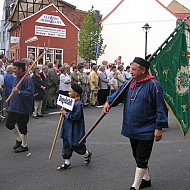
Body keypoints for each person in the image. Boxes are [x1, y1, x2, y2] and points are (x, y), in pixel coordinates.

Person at [102, 57, 168, 190]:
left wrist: (158, 127)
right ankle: (146, 179)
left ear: (143, 70)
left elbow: (161, 108)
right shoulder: (130, 82)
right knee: (137, 155)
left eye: (133, 69)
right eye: (130, 69)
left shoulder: (154, 85)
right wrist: (108, 102)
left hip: (147, 128)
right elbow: (118, 94)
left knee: (142, 157)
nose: (130, 72)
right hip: (132, 127)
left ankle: (135, 186)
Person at [57, 84, 92, 170]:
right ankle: (66, 161)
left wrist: (66, 114)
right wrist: (63, 110)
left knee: (76, 145)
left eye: (70, 92)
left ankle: (86, 154)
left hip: (75, 128)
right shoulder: (69, 101)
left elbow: (76, 116)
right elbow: (64, 112)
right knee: (66, 144)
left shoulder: (78, 104)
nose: (68, 93)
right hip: (67, 126)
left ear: (76, 93)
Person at [6, 61, 34, 153]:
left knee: (22, 127)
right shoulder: (16, 78)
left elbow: (30, 93)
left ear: (21, 69)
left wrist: (20, 92)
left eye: (15, 68)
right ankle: (19, 139)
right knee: (9, 124)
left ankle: (24, 145)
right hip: (14, 106)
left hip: (22, 107)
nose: (13, 70)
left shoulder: (27, 79)